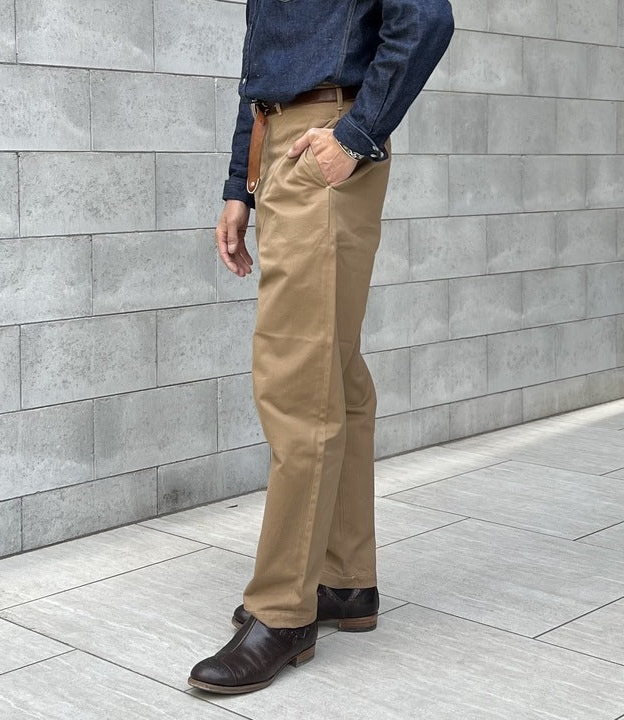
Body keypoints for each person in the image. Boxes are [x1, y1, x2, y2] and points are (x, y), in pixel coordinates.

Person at [188, 0, 454, 694]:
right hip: (278, 142)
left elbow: (425, 18)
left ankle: (283, 611)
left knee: (296, 378)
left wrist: (357, 134)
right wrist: (240, 183)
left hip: (322, 141)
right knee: (333, 372)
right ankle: (344, 578)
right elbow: (264, 61)